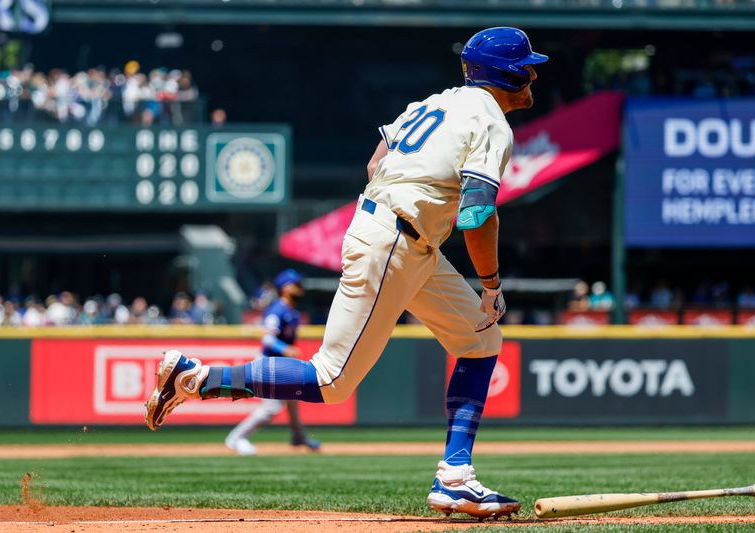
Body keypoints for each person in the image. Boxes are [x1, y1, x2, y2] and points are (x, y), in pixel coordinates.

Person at [145, 27, 546, 519]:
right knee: (330, 382)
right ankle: (197, 378)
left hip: (401, 236)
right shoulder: (491, 123)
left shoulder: (438, 101)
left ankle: (456, 479)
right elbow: (479, 214)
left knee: (481, 340)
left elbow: (375, 160)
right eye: (527, 67)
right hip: (397, 240)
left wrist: (403, 197)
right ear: (506, 73)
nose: (532, 75)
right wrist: (490, 284)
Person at [224, 270, 321, 456]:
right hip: (268, 365)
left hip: (282, 364)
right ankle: (236, 438)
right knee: (271, 408)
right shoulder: (278, 310)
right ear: (284, 288)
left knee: (293, 400)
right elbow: (267, 338)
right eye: (295, 284)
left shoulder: (292, 312)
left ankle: (298, 436)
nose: (299, 288)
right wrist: (284, 348)